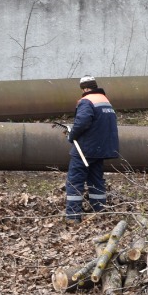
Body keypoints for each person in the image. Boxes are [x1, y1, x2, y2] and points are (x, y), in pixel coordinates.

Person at [64, 75, 119, 221]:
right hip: (101, 149)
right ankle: (99, 213)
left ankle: (73, 216)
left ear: (85, 88)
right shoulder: (105, 101)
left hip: (85, 149)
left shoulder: (86, 101)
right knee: (96, 180)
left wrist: (71, 136)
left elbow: (82, 122)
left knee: (75, 181)